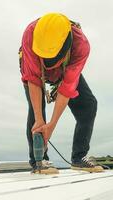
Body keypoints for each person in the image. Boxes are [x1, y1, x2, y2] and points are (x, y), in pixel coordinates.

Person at [19, 13, 103, 173]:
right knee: (36, 112)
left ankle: (79, 157)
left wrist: (52, 125)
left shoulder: (81, 45)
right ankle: (38, 161)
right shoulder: (30, 34)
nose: (48, 64)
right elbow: (33, 80)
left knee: (88, 105)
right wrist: (40, 120)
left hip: (66, 71)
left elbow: (66, 89)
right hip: (34, 71)